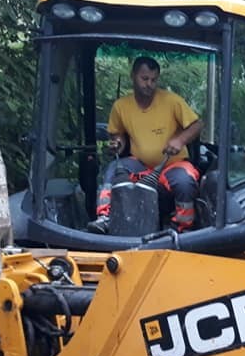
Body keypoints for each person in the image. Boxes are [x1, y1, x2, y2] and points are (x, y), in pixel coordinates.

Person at [87, 56, 204, 233]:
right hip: (140, 165)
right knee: (113, 170)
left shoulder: (172, 101)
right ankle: (105, 218)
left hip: (172, 164)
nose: (149, 84)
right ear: (133, 76)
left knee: (185, 182)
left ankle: (182, 228)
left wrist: (180, 140)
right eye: (145, 78)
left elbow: (197, 125)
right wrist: (118, 143)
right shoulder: (121, 106)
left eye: (153, 80)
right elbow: (117, 134)